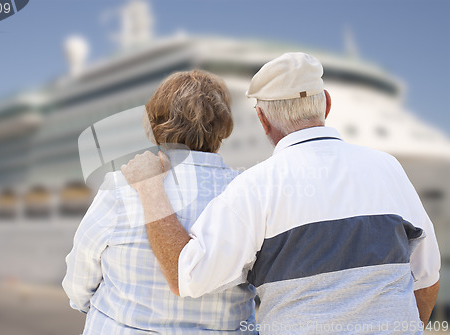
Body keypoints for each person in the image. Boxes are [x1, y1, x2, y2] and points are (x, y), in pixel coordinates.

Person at [121, 52, 441, 334]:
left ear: (262, 119)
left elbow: (186, 276)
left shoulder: (255, 186)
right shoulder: (387, 168)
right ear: (326, 103)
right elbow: (426, 280)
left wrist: (151, 190)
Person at [62, 70, 257, 334]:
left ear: (153, 125)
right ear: (223, 127)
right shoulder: (248, 191)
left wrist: (95, 310)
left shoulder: (120, 187)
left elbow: (80, 276)